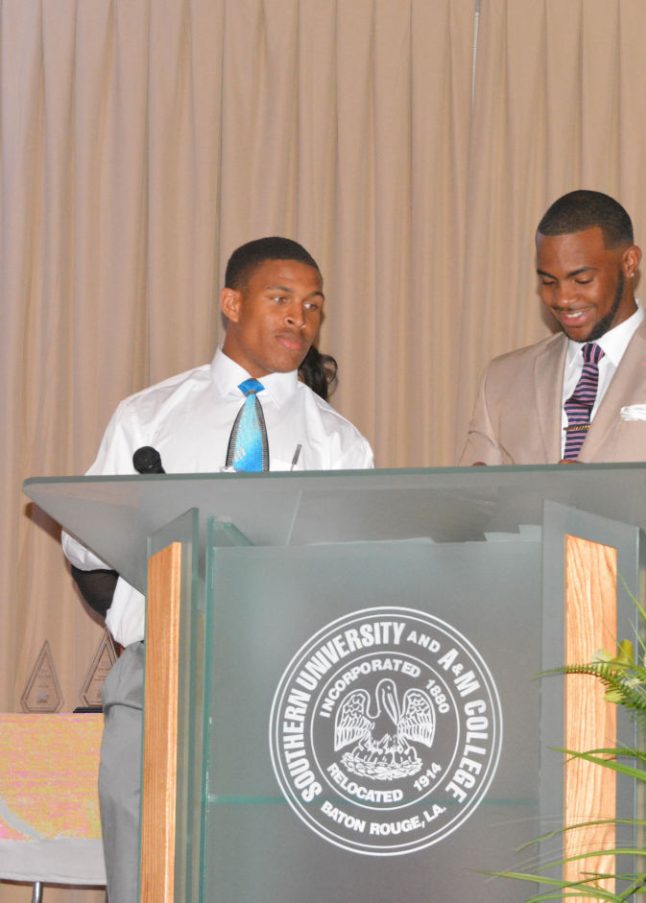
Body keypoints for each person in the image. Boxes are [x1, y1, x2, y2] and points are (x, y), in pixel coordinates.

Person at [62, 236, 374, 903]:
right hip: (159, 679)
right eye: (281, 298)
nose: (300, 317)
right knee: (146, 877)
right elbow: (87, 549)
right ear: (231, 302)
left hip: (288, 692)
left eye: (313, 305)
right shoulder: (149, 416)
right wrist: (138, 619)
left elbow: (354, 577)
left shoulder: (338, 442)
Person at [459, 189, 646, 512]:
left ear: (629, 262)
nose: (562, 299)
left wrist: (607, 500)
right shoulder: (502, 379)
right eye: (549, 282)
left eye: (582, 279)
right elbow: (466, 521)